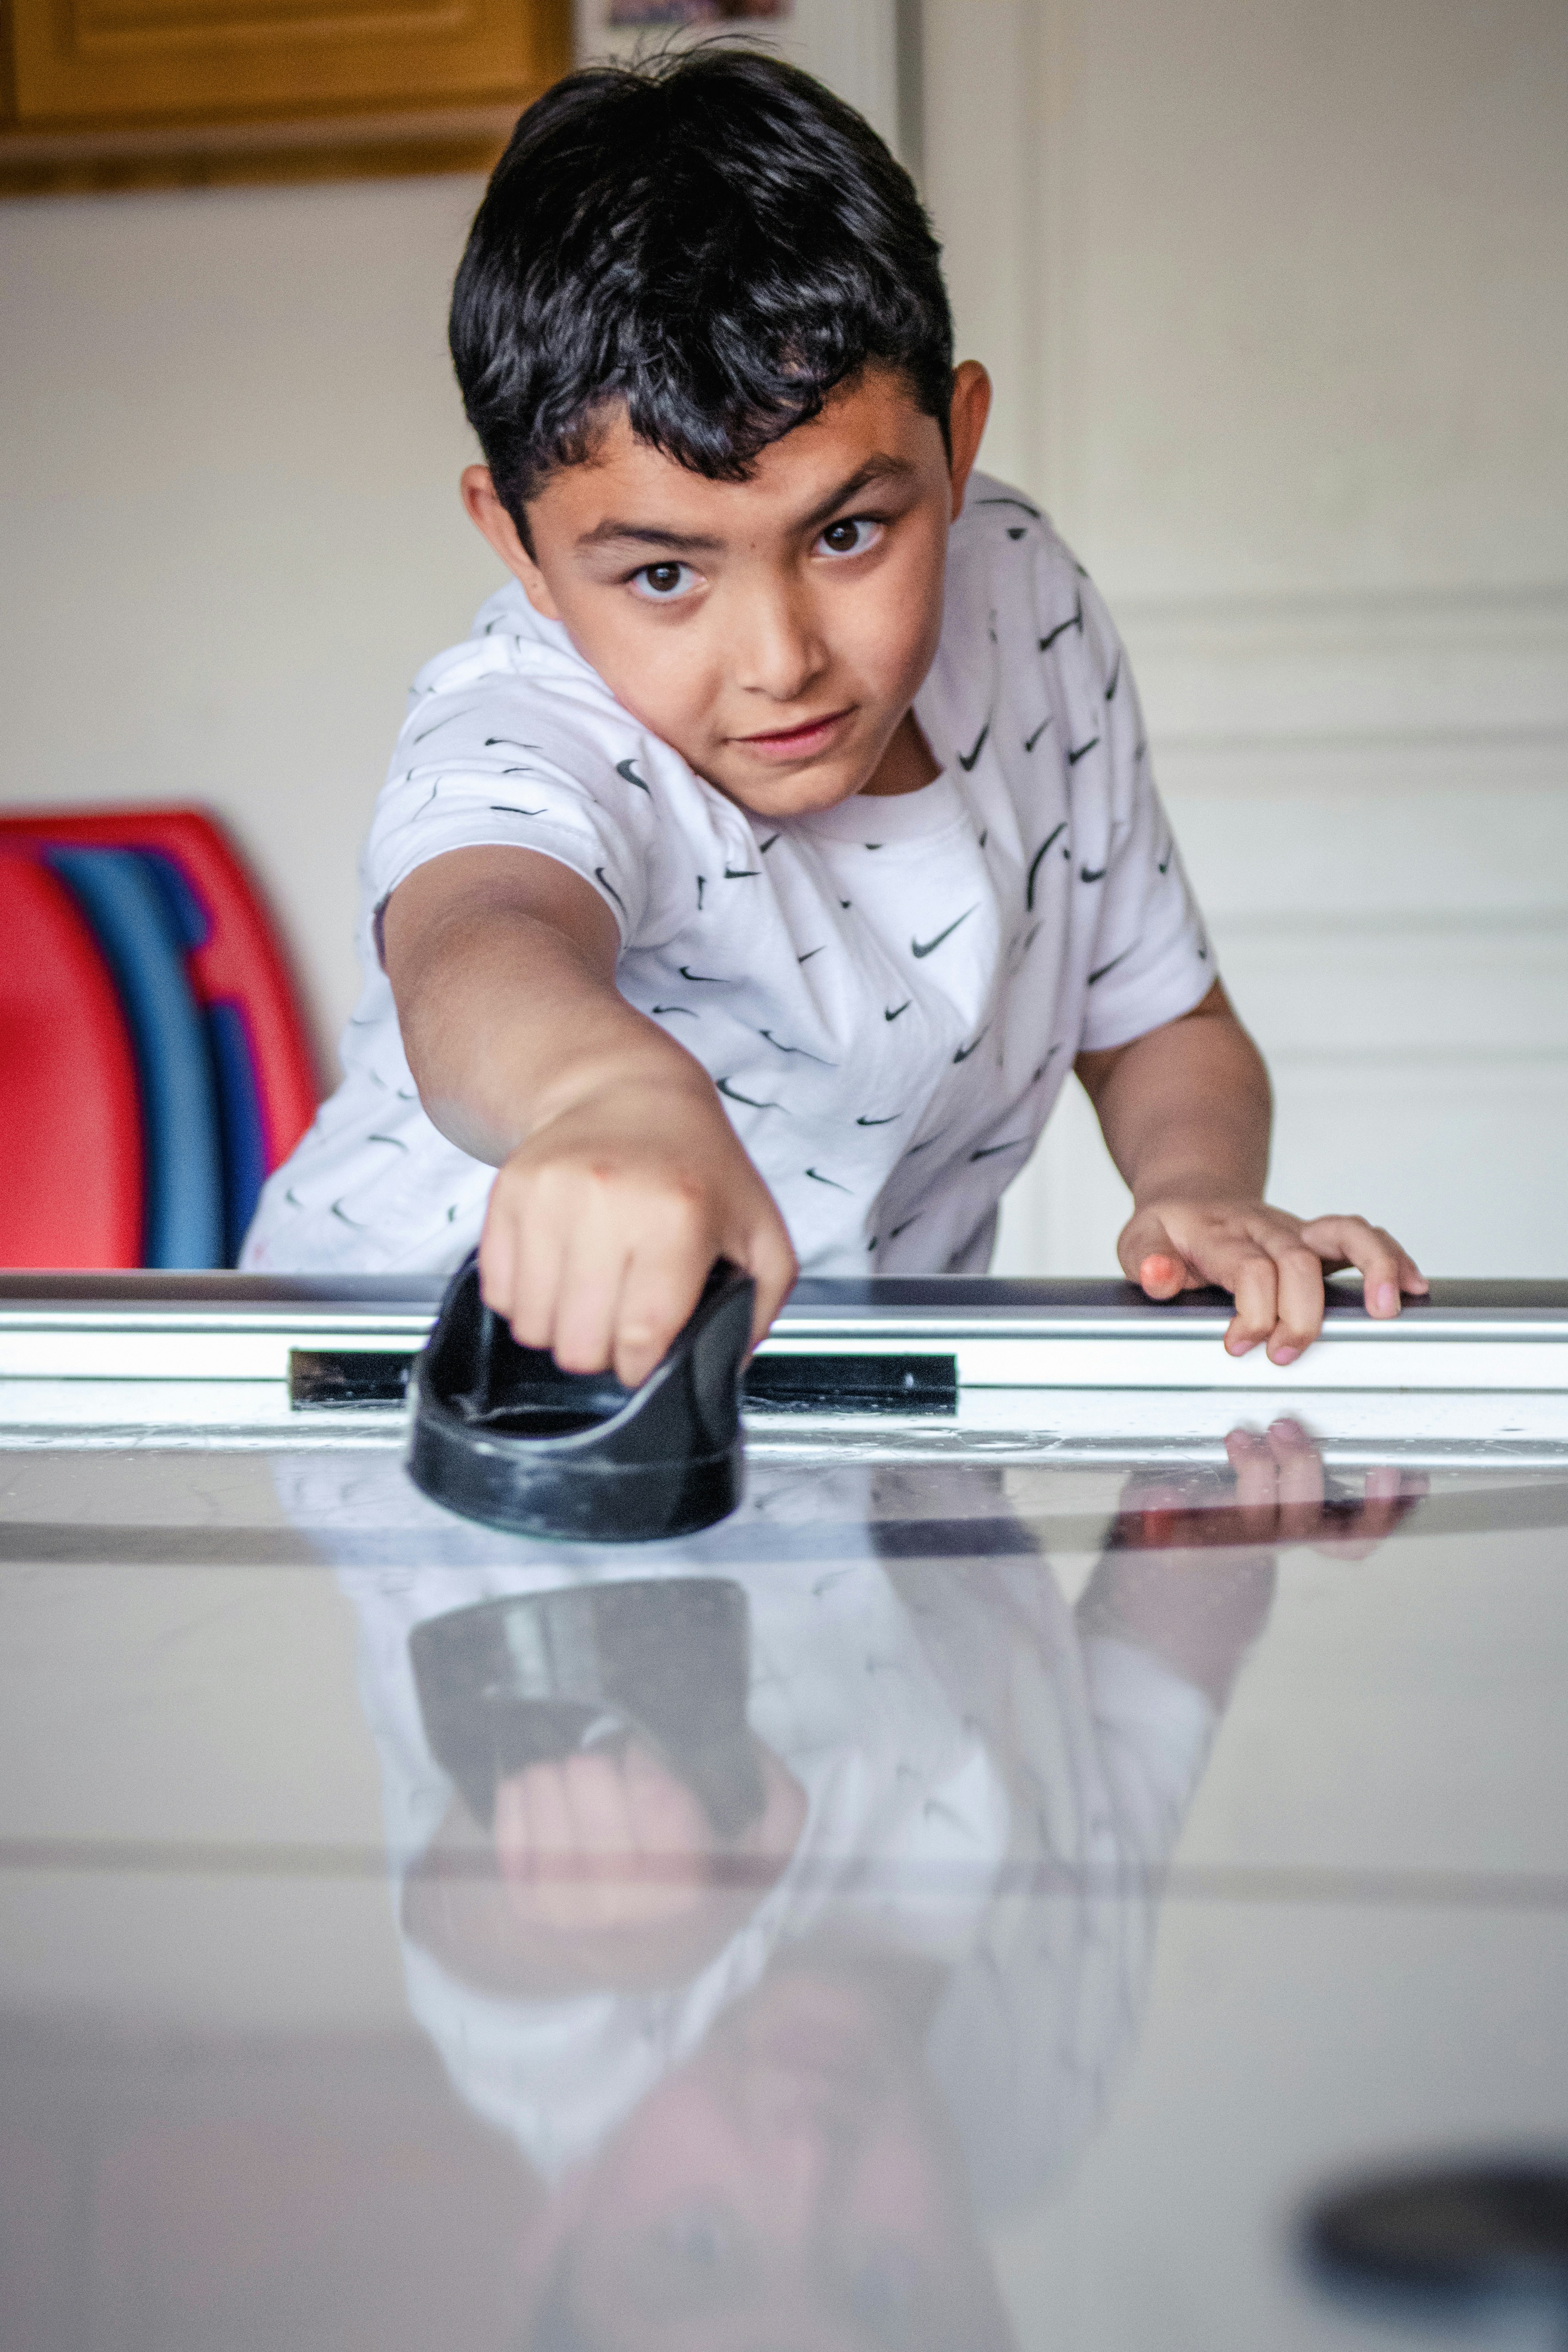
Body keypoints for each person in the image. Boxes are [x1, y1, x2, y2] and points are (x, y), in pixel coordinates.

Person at [241, 46, 1426, 1381]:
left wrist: (1198, 1184)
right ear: (515, 542)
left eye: (848, 531)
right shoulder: (524, 719)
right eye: (665, 574)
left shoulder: (1022, 595)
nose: (779, 658)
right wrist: (604, 1096)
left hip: (833, 1413)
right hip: (409, 1411)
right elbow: (476, 943)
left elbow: (1160, 1018)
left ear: (958, 441)